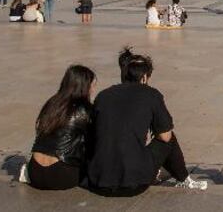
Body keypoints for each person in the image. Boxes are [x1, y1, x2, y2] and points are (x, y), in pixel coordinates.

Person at [87, 47, 207, 196]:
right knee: (168, 136)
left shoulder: (104, 96)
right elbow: (165, 136)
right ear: (144, 77)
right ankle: (183, 179)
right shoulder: (151, 95)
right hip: (134, 183)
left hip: (98, 181)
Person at [18, 65, 96, 190]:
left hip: (35, 172)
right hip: (62, 176)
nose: (93, 89)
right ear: (84, 86)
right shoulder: (85, 109)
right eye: (92, 85)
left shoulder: (52, 103)